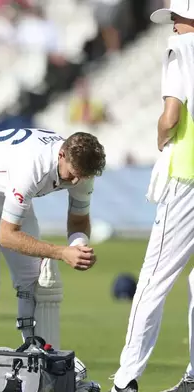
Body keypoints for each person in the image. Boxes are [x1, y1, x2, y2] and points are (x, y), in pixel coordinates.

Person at [0, 129, 104, 355]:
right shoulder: (34, 166)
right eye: (71, 174)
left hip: (6, 186)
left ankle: (33, 351)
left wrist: (77, 246)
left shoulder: (81, 171)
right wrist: (61, 252)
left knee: (33, 277)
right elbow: (7, 236)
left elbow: (79, 220)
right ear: (61, 155)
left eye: (80, 177)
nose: (74, 182)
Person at [112, 2, 194, 391]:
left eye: (177, 19)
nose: (173, 27)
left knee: (152, 281)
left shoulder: (181, 51)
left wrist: (161, 140)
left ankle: (127, 378)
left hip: (188, 177)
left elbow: (171, 116)